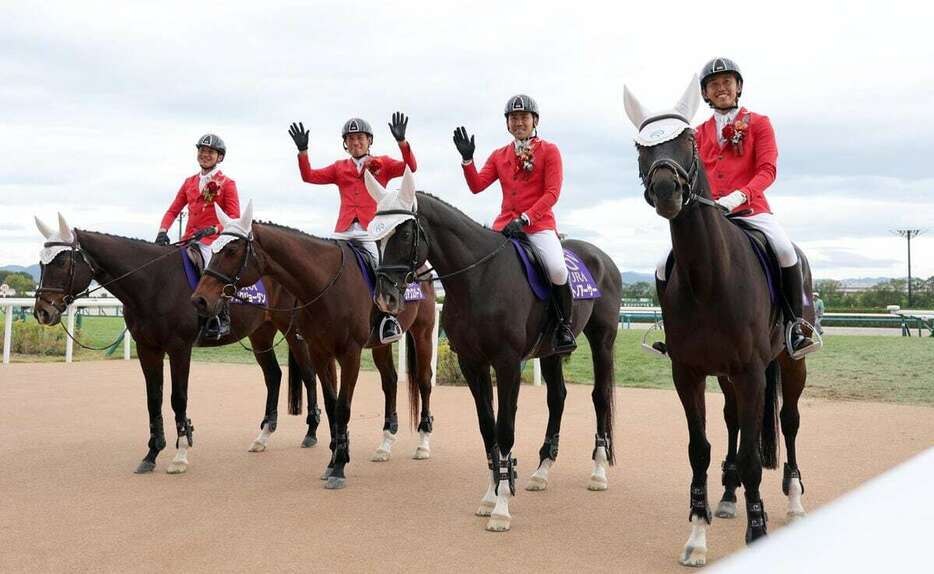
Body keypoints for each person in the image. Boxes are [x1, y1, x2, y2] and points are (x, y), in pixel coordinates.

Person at [691, 57, 816, 357]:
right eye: (714, 85)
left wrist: (739, 196)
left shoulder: (759, 123)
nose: (721, 89)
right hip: (710, 217)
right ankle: (673, 330)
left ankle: (794, 326)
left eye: (727, 83)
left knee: (786, 251)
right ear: (705, 93)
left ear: (738, 88)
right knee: (663, 263)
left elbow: (767, 171)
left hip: (751, 210)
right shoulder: (696, 133)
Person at [452, 95, 576, 353]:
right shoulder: (500, 155)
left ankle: (563, 326)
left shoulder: (550, 150)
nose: (519, 122)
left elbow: (552, 193)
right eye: (513, 118)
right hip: (505, 227)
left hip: (537, 225)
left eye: (523, 117)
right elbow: (476, 186)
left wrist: (527, 218)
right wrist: (467, 160)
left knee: (557, 270)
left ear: (535, 120)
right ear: (507, 124)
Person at [288, 113, 416, 344]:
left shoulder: (383, 163)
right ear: (345, 143)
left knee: (380, 267)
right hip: (343, 230)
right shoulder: (339, 167)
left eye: (360, 138)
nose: (356, 142)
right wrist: (303, 151)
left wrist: (402, 142)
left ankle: (388, 319)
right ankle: (310, 318)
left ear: (369, 141)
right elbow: (309, 176)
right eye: (351, 138)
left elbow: (411, 167)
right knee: (318, 266)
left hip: (371, 231)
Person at [158, 133, 240, 339]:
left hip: (212, 241)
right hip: (188, 239)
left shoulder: (227, 184)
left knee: (212, 268)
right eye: (202, 151)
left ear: (219, 157)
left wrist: (213, 230)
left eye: (210, 152)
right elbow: (173, 210)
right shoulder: (189, 182)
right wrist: (162, 231)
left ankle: (220, 318)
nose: (205, 154)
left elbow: (233, 218)